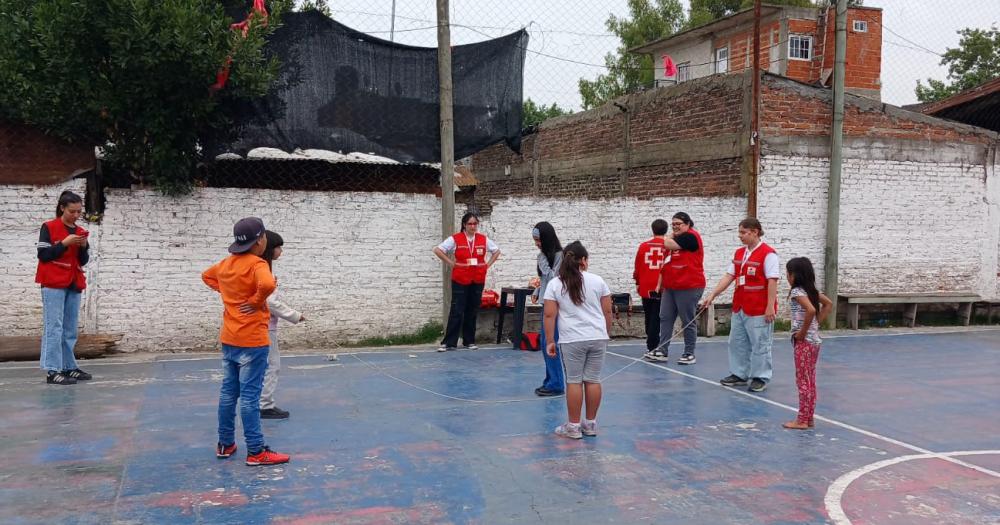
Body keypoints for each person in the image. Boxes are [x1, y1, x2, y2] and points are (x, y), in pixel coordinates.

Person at [202, 217, 290, 466]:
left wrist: (229, 293)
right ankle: (256, 450)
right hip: (253, 339)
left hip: (229, 337)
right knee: (251, 397)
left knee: (228, 393)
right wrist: (254, 300)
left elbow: (206, 277)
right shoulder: (257, 264)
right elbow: (268, 284)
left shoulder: (226, 264)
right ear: (260, 240)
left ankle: (225, 444)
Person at [700, 218, 779, 393]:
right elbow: (729, 276)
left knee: (760, 343)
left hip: (759, 308)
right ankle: (739, 373)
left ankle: (761, 376)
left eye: (744, 232)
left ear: (755, 232)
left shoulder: (768, 254)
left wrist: (770, 306)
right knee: (737, 342)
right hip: (740, 306)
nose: (740, 236)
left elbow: (772, 281)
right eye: (740, 232)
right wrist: (713, 294)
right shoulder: (739, 254)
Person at [543, 241, 613, 440]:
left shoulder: (555, 284)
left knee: (574, 381)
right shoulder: (598, 281)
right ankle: (590, 424)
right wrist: (605, 333)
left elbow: (549, 315)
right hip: (597, 337)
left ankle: (573, 426)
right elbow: (607, 310)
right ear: (584, 260)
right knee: (593, 379)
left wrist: (549, 340)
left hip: (572, 339)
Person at [35, 190, 92, 385]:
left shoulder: (80, 231)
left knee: (69, 328)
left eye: (79, 212)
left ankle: (69, 366)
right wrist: (64, 244)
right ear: (62, 208)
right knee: (54, 327)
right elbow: (43, 254)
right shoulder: (48, 227)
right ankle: (52, 370)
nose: (76, 216)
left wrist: (83, 246)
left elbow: (83, 261)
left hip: (73, 282)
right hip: (52, 282)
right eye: (72, 211)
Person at [432, 212, 501, 351]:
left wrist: (487, 265)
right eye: (470, 223)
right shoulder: (456, 239)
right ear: (464, 225)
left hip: (478, 278)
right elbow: (438, 250)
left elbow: (497, 251)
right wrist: (451, 263)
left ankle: (469, 341)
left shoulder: (483, 239)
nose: (473, 226)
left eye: (475, 223)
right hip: (460, 278)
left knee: (472, 309)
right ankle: (449, 342)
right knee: (457, 309)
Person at [648, 212, 706, 365]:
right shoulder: (676, 239)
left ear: (687, 224)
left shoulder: (691, 237)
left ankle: (689, 352)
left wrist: (669, 237)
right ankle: (662, 349)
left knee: (687, 320)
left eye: (678, 224)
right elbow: (666, 263)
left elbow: (667, 244)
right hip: (671, 286)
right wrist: (660, 284)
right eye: (673, 224)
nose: (675, 227)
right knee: (665, 317)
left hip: (689, 286)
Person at [259, 230, 305, 420]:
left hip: (263, 326)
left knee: (263, 366)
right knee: (272, 365)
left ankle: (260, 402)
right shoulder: (263, 271)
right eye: (278, 247)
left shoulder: (264, 270)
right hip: (264, 327)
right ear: (269, 249)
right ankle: (265, 405)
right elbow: (270, 303)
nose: (280, 251)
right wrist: (295, 316)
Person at [783, 257, 832, 430]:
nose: (787, 277)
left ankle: (802, 419)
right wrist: (815, 324)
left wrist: (803, 332)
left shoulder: (797, 292)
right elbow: (828, 304)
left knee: (803, 381)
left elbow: (811, 310)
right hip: (814, 342)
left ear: (795, 275)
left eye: (788, 273)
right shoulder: (810, 291)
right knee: (810, 380)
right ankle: (808, 417)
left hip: (804, 343)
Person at [529, 222, 563, 397]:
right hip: (546, 301)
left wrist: (542, 262)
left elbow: (554, 280)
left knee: (551, 342)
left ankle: (556, 383)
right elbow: (544, 281)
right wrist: (537, 290)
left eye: (539, 240)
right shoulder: (545, 255)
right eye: (535, 240)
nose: (536, 243)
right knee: (545, 343)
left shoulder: (560, 256)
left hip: (555, 305)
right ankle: (550, 381)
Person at [633, 219, 667, 358]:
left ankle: (651, 343)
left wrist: (637, 281)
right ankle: (654, 345)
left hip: (646, 286)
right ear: (666, 230)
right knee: (657, 316)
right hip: (662, 287)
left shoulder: (643, 246)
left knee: (648, 315)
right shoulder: (669, 246)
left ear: (652, 230)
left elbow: (638, 265)